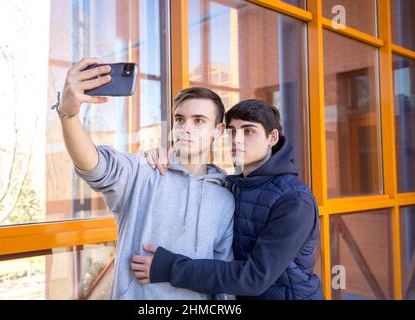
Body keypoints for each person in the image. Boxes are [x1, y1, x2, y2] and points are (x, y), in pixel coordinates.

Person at [57, 57, 234, 299]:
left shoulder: (225, 197)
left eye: (199, 121)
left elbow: (221, 277)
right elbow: (95, 167)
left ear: (218, 131)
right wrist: (68, 114)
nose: (186, 128)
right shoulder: (144, 169)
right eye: (180, 119)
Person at [131, 99, 324, 300]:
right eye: (232, 132)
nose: (236, 140)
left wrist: (171, 268)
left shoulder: (294, 200)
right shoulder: (231, 186)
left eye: (248, 131)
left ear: (272, 137)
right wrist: (159, 157)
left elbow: (254, 278)